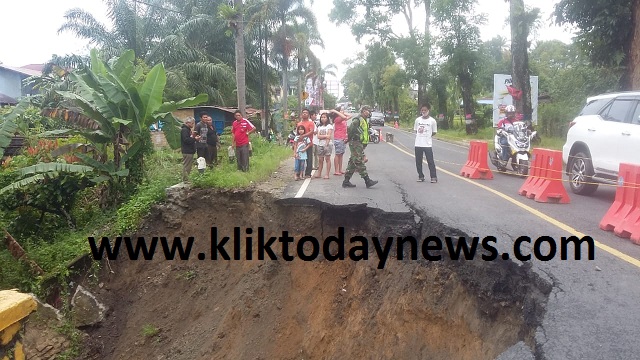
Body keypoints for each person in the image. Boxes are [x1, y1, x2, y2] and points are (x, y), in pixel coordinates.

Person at [342, 106, 378, 189]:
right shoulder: (357, 120)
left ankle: (346, 181)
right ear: (363, 111)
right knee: (359, 161)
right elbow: (350, 130)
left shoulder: (365, 120)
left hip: (360, 143)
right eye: (368, 111)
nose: (369, 112)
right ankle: (367, 180)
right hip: (355, 142)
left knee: (352, 162)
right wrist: (348, 139)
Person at [414, 104, 438, 183]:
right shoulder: (418, 120)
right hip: (418, 144)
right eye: (422, 110)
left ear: (428, 110)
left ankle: (433, 177)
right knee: (418, 161)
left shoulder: (432, 121)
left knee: (430, 161)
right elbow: (416, 130)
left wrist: (427, 136)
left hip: (427, 144)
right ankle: (420, 176)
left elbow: (434, 132)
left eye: (425, 110)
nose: (423, 112)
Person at [296, 108, 315, 178]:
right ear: (301, 114)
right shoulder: (299, 124)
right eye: (303, 112)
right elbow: (297, 133)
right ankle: (298, 173)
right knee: (299, 158)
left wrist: (303, 135)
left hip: (308, 143)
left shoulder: (310, 123)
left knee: (309, 159)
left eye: (306, 112)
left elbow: (311, 131)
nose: (304, 114)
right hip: (300, 144)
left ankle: (308, 173)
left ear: (309, 115)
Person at [331, 106, 351, 175]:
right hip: (338, 138)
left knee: (341, 154)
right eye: (341, 110)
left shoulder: (342, 119)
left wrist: (341, 112)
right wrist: (336, 111)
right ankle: (336, 170)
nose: (343, 111)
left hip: (343, 138)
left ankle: (340, 169)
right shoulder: (337, 119)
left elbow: (350, 116)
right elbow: (344, 117)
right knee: (338, 154)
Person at [314, 112, 333, 179]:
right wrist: (325, 136)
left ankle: (327, 174)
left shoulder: (329, 126)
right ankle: (319, 173)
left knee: (327, 159)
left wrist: (326, 144)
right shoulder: (319, 126)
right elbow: (318, 136)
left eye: (324, 117)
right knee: (320, 159)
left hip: (327, 144)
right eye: (322, 117)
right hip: (320, 144)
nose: (323, 119)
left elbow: (329, 136)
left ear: (327, 118)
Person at [180, 117, 199, 181]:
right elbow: (186, 140)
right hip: (187, 151)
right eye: (192, 123)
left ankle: (186, 178)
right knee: (187, 166)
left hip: (189, 150)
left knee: (188, 166)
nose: (193, 125)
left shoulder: (187, 130)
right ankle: (185, 180)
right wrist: (194, 139)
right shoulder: (185, 130)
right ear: (187, 123)